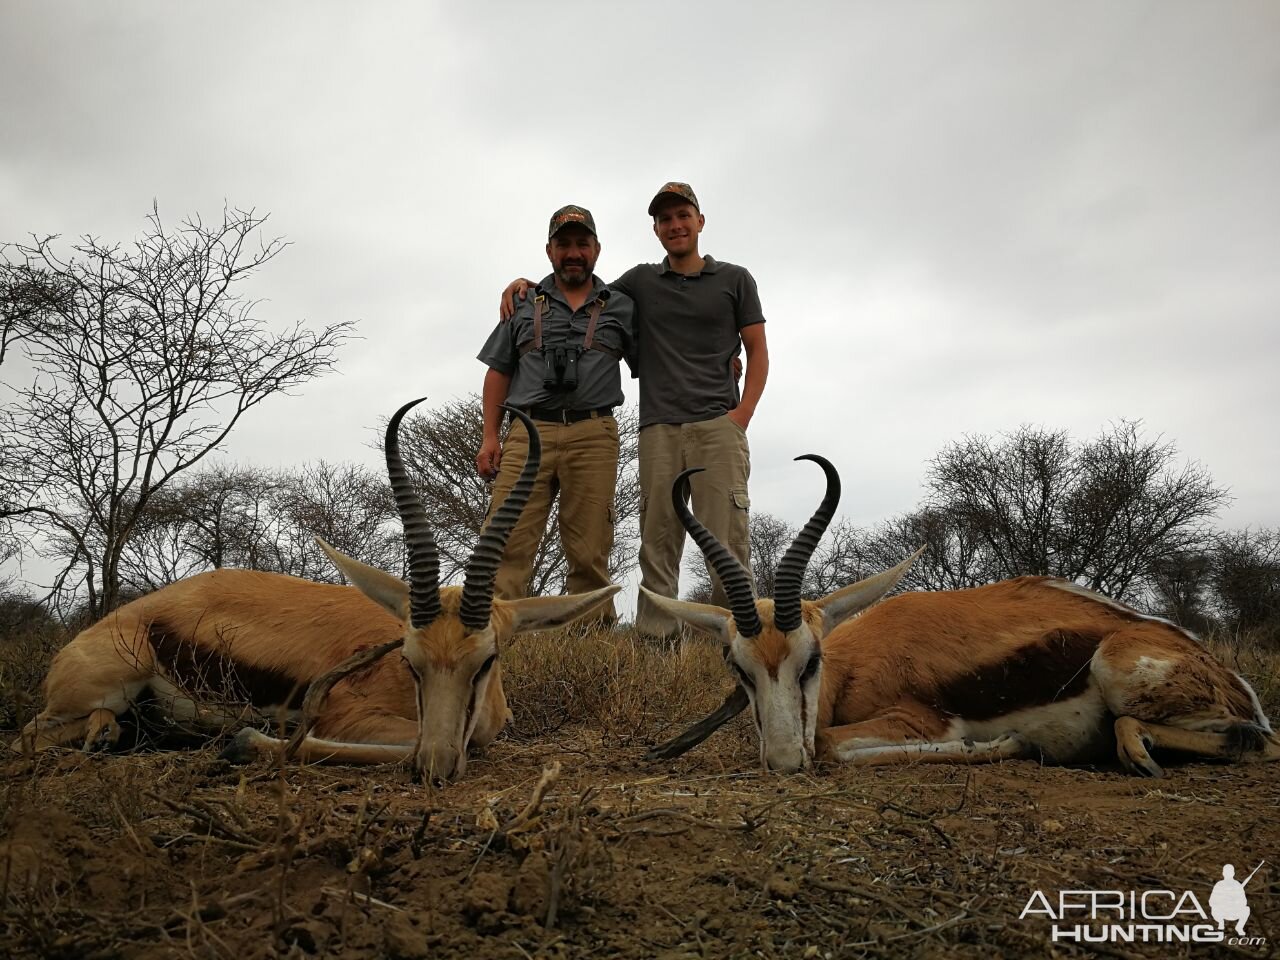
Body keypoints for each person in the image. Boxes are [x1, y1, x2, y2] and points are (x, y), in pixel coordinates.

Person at [502, 183, 769, 639]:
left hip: (717, 424)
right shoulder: (640, 282)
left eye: (683, 216)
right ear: (656, 229)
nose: (675, 225)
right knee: (657, 542)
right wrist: (524, 284)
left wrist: (740, 415)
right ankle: (655, 642)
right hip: (658, 427)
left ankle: (738, 647)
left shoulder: (735, 279)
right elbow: (579, 288)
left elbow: (758, 350)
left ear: (700, 220)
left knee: (726, 545)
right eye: (665, 220)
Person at [475, 205, 635, 624]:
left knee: (590, 550)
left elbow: (661, 355)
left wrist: (724, 359)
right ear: (549, 250)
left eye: (583, 244)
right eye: (564, 244)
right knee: (505, 542)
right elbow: (498, 372)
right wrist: (490, 437)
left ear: (597, 249)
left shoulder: (621, 305)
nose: (574, 253)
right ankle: (494, 641)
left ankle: (591, 647)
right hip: (527, 432)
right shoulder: (524, 301)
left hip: (594, 433)